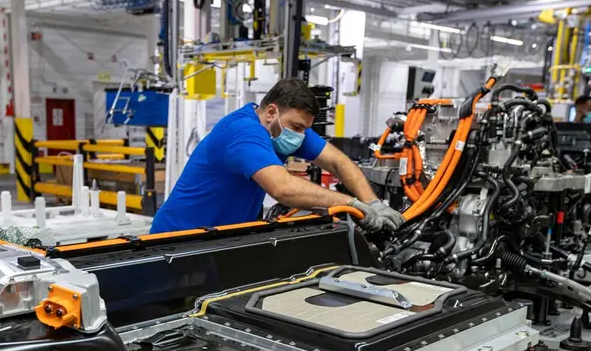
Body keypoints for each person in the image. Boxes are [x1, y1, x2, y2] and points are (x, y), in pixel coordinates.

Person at [150, 78, 404, 234]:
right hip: (176, 240)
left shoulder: (284, 129)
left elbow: (337, 162)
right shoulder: (243, 132)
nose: (300, 135)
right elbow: (282, 189)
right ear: (271, 112)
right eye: (296, 127)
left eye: (304, 128)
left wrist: (372, 203)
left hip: (221, 237)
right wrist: (351, 204)